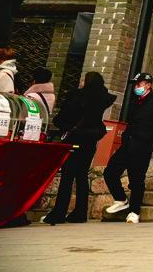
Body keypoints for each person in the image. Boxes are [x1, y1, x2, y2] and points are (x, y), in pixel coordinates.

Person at [43, 72, 114, 224]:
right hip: (90, 141)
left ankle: (59, 212)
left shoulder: (78, 97)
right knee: (82, 176)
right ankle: (80, 212)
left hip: (75, 138)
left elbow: (62, 118)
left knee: (67, 176)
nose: (81, 81)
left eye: (83, 79)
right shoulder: (102, 98)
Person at [103, 71, 153, 224]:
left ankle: (134, 211)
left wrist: (149, 139)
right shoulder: (134, 101)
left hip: (142, 147)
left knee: (137, 180)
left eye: (139, 84)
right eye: (135, 85)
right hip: (128, 144)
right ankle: (121, 199)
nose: (136, 87)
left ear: (148, 85)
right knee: (110, 172)